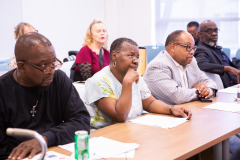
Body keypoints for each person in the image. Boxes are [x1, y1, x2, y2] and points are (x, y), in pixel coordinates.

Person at [0, 32, 90, 159]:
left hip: (54, 153)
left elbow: (81, 121)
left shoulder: (59, 80)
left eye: (53, 62)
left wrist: (44, 139)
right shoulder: (3, 91)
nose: (51, 70)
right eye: (44, 65)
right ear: (21, 66)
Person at [82, 37, 192, 129]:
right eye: (130, 56)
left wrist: (171, 109)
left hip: (132, 129)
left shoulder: (135, 76)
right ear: (114, 55)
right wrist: (127, 83)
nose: (135, 60)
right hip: (106, 135)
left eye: (137, 57)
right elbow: (119, 116)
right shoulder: (99, 81)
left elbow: (150, 103)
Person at [143, 30, 217, 105]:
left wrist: (208, 90)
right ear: (173, 47)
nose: (192, 52)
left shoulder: (191, 61)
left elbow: (210, 82)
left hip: (190, 108)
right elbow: (176, 96)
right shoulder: (158, 65)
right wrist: (197, 90)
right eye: (188, 47)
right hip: (166, 114)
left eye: (193, 47)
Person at [194, 20, 239, 88]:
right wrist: (228, 68)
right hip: (228, 89)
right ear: (200, 34)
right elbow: (201, 65)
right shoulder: (202, 50)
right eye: (209, 31)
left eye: (216, 30)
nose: (214, 33)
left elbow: (233, 66)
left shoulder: (216, 49)